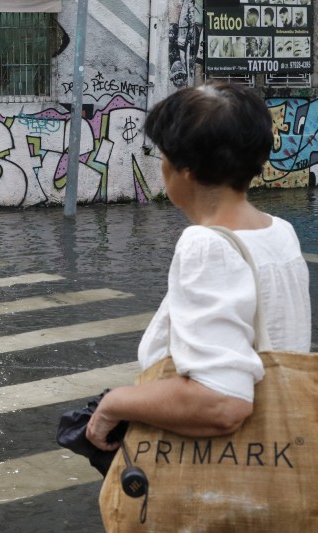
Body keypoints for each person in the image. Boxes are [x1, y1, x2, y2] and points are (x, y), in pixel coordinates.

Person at [85, 82, 311, 454]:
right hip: (281, 445)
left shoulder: (206, 244)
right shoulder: (279, 232)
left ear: (184, 169)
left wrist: (115, 403)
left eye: (163, 155)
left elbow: (222, 403)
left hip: (225, 462)